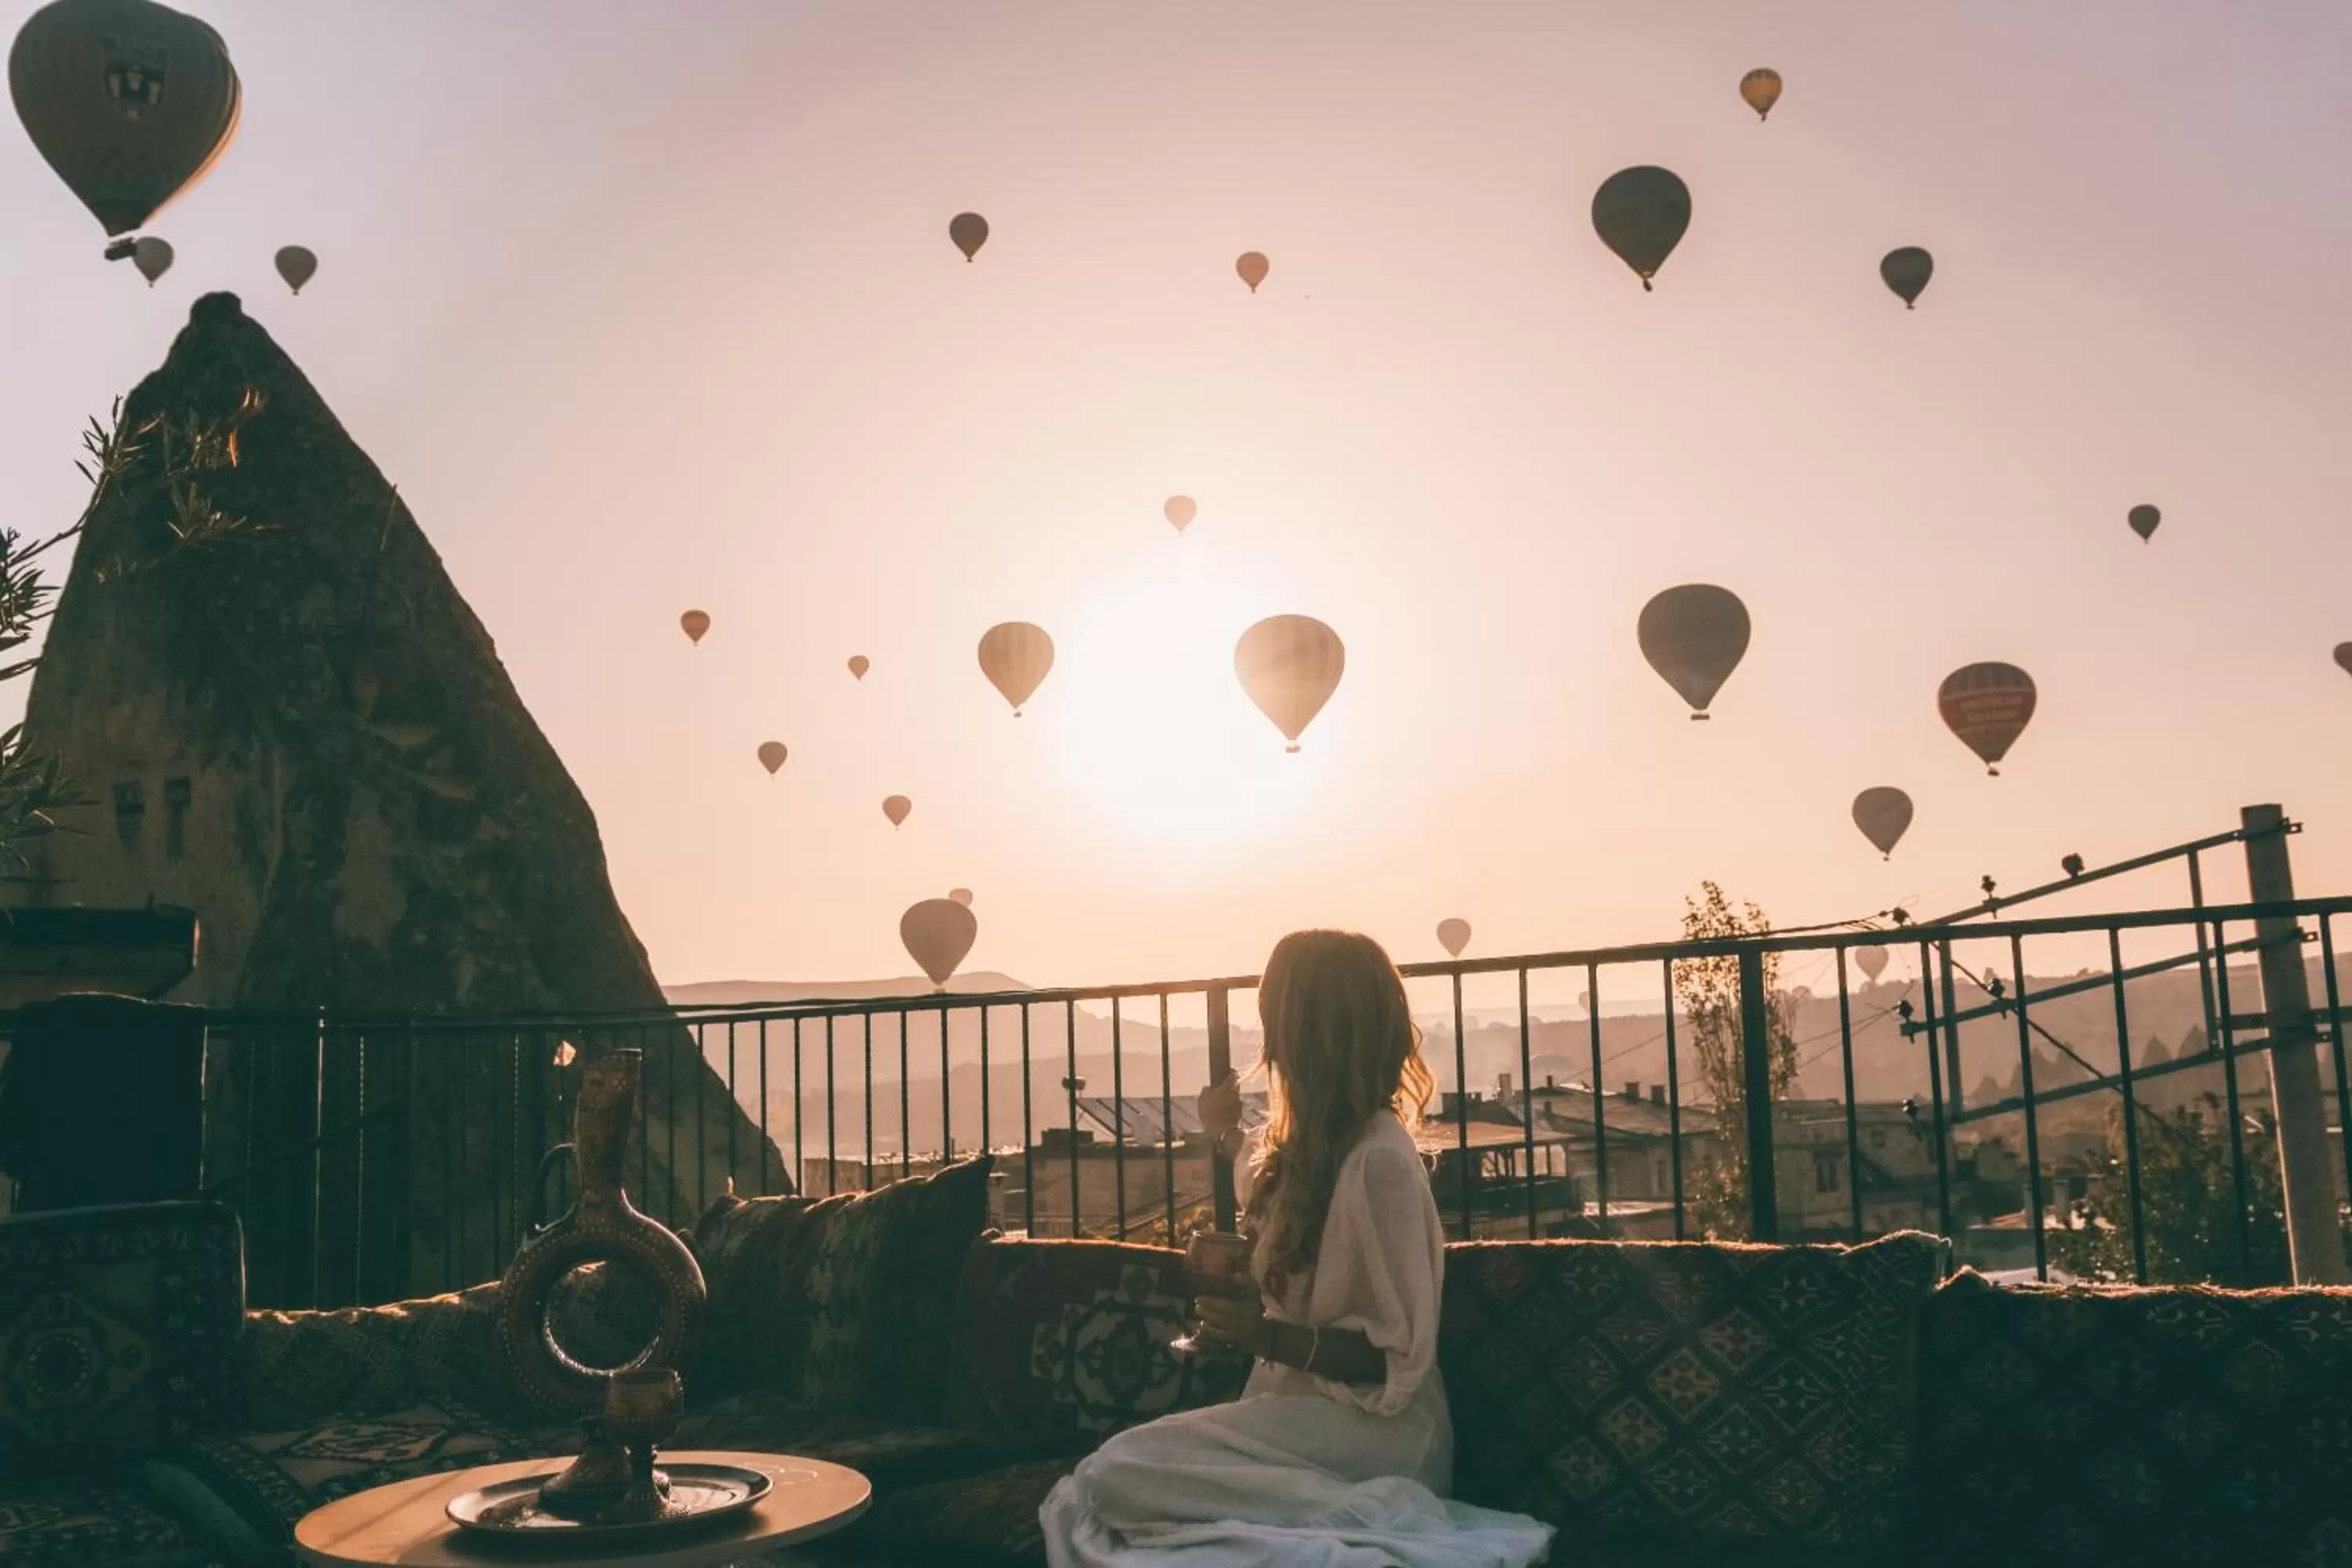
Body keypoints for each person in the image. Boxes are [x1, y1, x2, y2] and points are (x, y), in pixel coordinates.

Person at [1039, 930, 1555, 1567]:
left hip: (1377, 1436)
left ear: (1311, 1033)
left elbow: (1392, 1362)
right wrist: (1223, 1129)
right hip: (1300, 1419)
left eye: (1275, 1020)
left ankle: (1371, 1518)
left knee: (1109, 1477)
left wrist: (1263, 1337)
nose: (1269, 1045)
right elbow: (1256, 1175)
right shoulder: (1312, 1151)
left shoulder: (1379, 1165)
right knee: (1105, 1482)